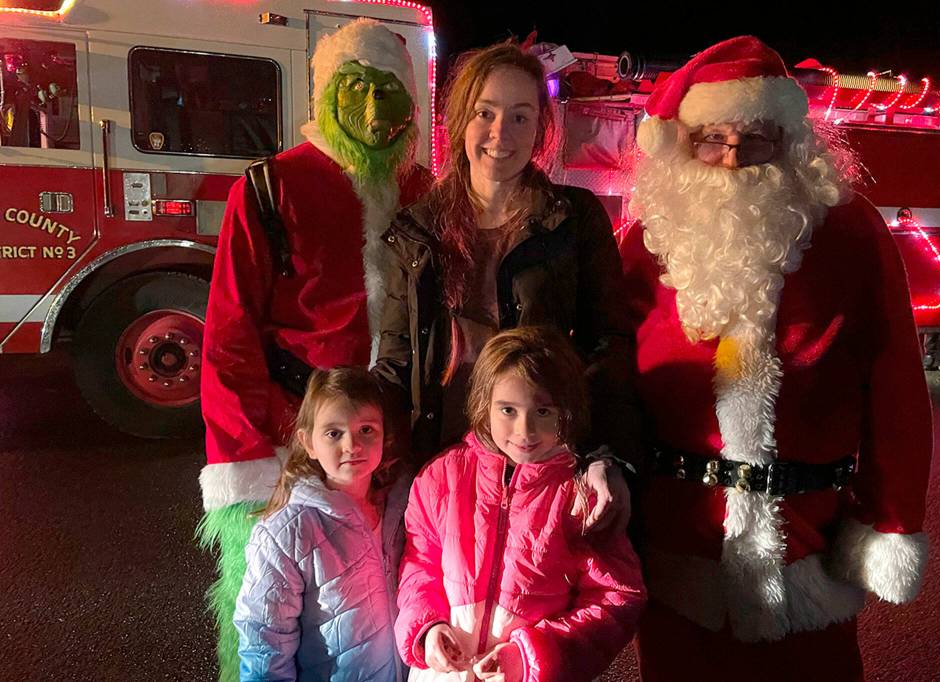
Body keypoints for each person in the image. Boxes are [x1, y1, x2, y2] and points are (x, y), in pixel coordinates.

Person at [623, 36, 933, 680]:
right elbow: (608, 387)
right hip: (680, 552)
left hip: (807, 549)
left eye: (756, 137)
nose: (734, 156)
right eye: (712, 137)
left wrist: (893, 517)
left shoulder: (850, 232)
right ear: (682, 143)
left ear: (789, 141)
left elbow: (897, 385)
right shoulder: (642, 246)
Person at [197, 19, 432, 679]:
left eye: (388, 89)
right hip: (282, 443)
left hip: (388, 446)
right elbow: (229, 335)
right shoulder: (270, 188)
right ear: (326, 93)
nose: (370, 106)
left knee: (377, 617)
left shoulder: (424, 194)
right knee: (269, 621)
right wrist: (255, 452)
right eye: (356, 86)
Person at [373, 41, 641, 534]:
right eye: (485, 112)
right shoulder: (417, 229)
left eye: (521, 116)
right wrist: (362, 449)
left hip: (542, 466)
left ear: (540, 127)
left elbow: (609, 343)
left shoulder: (573, 219)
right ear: (459, 120)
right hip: (441, 466)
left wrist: (607, 453)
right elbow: (396, 359)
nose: (501, 133)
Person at [393, 326, 646, 682]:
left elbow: (615, 598)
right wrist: (427, 627)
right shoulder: (441, 477)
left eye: (543, 411)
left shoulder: (581, 496)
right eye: (508, 410)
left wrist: (531, 656)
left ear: (567, 410)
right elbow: (420, 566)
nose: (524, 430)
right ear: (485, 404)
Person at [234, 368, 410, 682]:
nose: (352, 445)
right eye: (333, 433)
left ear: (386, 435)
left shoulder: (401, 507)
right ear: (308, 442)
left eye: (367, 429)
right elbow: (265, 635)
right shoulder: (287, 533)